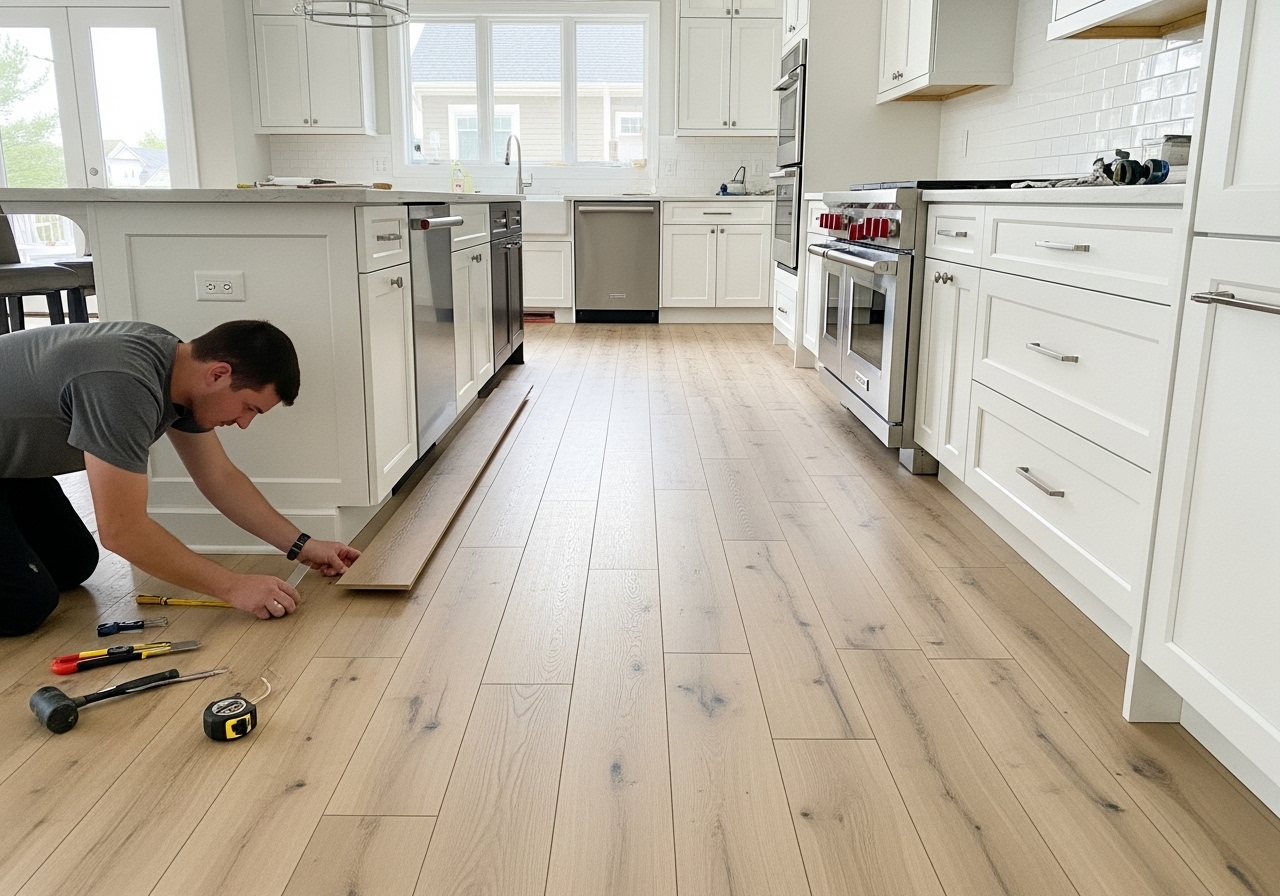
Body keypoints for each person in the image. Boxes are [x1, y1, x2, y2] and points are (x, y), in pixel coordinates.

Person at [0, 319, 360, 635]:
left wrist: (303, 546)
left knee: (71, 564)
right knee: (25, 604)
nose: (245, 423)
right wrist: (233, 586)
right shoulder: (123, 386)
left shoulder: (178, 367)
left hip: (12, 468)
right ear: (219, 374)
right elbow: (122, 530)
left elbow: (219, 477)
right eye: (249, 407)